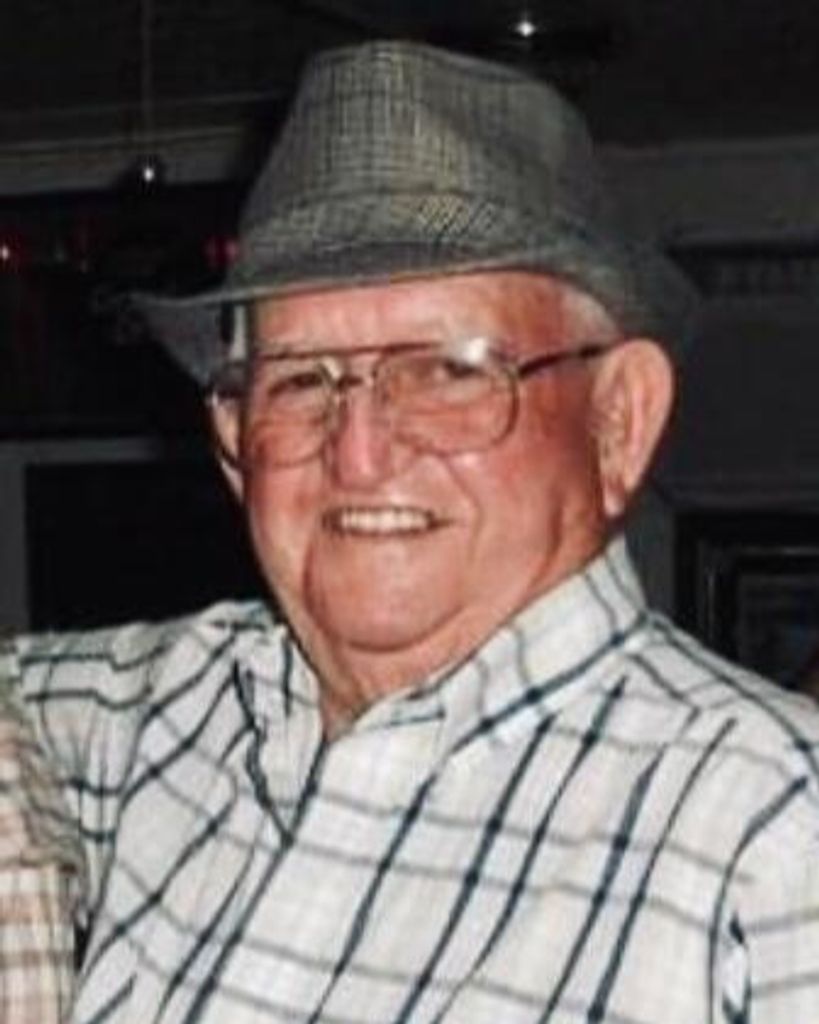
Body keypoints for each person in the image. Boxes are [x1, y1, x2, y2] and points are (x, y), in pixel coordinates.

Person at [3, 39, 819, 1023]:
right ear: (232, 442)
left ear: (618, 421)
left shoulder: (771, 829)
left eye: (447, 370)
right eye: (300, 381)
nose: (359, 454)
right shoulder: (165, 715)